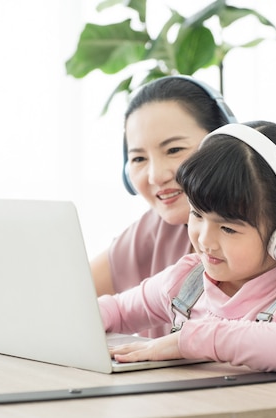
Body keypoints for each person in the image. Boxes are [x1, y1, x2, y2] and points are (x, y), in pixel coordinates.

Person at [98, 121, 276, 390]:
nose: (205, 240)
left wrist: (198, 339)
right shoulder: (186, 281)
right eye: (197, 214)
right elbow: (118, 311)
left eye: (228, 228)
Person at [90, 76, 236, 338]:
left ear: (224, 144)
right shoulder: (156, 228)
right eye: (138, 158)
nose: (156, 176)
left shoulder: (271, 235)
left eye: (174, 150)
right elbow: (69, 294)